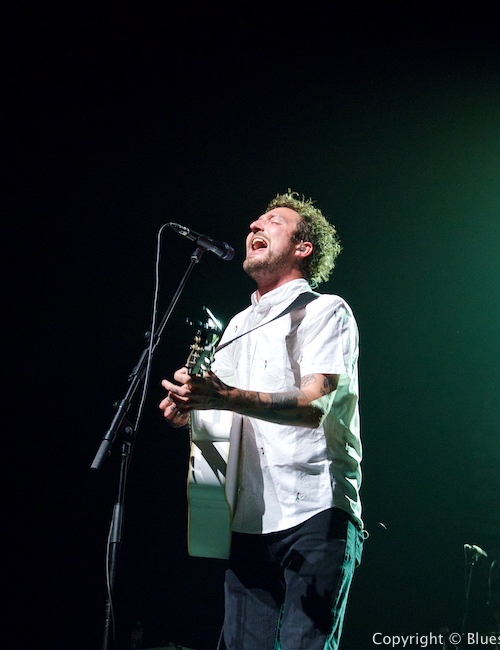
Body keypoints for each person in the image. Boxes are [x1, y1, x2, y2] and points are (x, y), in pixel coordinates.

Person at [159, 190, 364, 649]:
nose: (254, 224)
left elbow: (314, 406)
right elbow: (222, 414)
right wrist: (189, 408)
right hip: (247, 519)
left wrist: (224, 394)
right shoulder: (236, 326)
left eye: (272, 221)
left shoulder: (324, 310)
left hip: (314, 508)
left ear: (302, 247)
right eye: (255, 220)